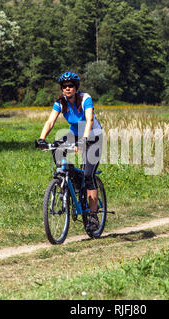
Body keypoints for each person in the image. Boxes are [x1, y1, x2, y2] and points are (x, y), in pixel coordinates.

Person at [37, 72, 103, 232]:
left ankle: (93, 216)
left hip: (93, 136)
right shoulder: (60, 102)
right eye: (64, 86)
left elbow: (90, 120)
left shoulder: (85, 98)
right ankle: (68, 181)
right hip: (75, 134)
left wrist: (85, 140)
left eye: (71, 86)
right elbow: (50, 120)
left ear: (76, 87)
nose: (67, 88)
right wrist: (41, 138)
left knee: (88, 176)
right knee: (57, 149)